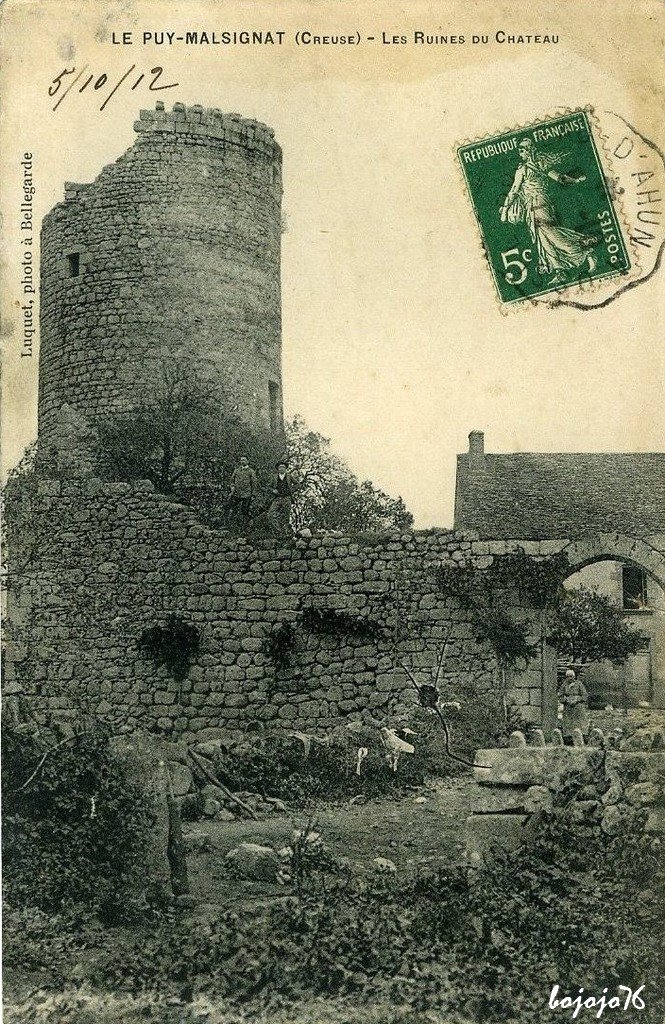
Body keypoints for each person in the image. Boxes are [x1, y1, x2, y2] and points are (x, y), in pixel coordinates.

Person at [500, 138, 598, 285]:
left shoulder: (528, 168)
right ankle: (559, 271)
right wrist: (576, 181)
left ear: (530, 150)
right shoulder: (532, 166)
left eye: (523, 149)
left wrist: (505, 210)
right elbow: (560, 179)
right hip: (536, 205)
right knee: (543, 238)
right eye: (519, 149)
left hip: (538, 204)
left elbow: (515, 190)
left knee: (551, 233)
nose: (520, 152)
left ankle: (583, 248)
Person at [229, 456, 258, 530]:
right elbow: (232, 480)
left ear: (247, 461)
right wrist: (232, 487)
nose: (242, 461)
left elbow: (254, 484)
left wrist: (253, 494)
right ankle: (230, 525)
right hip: (237, 494)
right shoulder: (236, 470)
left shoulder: (251, 471)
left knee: (245, 511)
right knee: (229, 506)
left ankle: (245, 527)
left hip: (247, 494)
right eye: (241, 460)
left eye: (244, 460)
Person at [560, 668, 590, 741]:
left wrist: (577, 699)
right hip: (568, 707)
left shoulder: (579, 684)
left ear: (574, 677)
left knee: (580, 722)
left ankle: (582, 736)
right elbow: (560, 695)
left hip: (578, 707)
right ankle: (568, 738)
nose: (569, 678)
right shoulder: (564, 685)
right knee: (568, 722)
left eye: (571, 676)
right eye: (568, 676)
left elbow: (585, 695)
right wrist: (566, 700)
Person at [267, 460, 295, 538]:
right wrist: (273, 490)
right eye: (280, 467)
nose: (281, 468)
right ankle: (279, 532)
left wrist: (291, 490)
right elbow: (268, 487)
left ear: (286, 468)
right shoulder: (274, 477)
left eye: (283, 467)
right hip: (277, 498)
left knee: (286, 517)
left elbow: (298, 484)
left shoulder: (289, 476)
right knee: (270, 514)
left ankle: (286, 534)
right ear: (277, 469)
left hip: (287, 498)